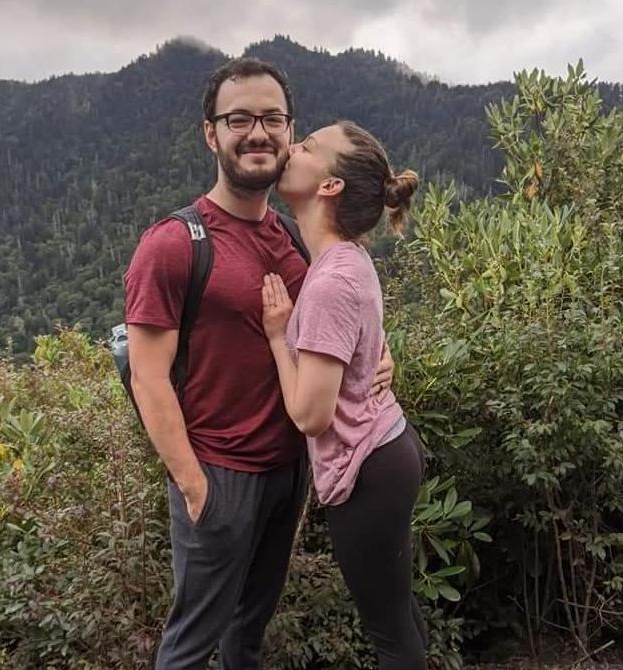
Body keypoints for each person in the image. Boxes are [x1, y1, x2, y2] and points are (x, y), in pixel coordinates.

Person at [123, 58, 394, 670]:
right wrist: (194, 487)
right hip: (219, 473)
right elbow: (148, 376)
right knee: (192, 645)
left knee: (247, 638)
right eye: (239, 118)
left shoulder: (293, 239)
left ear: (289, 129)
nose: (258, 132)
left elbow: (340, 322)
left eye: (273, 118)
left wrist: (383, 360)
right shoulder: (172, 245)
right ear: (211, 133)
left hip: (289, 471)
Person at [261, 121, 427, 670]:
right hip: (385, 450)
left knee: (388, 634)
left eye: (307, 146)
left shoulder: (333, 278)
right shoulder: (344, 260)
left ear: (329, 186)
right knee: (398, 617)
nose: (292, 147)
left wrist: (279, 335)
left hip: (366, 467)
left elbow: (311, 413)